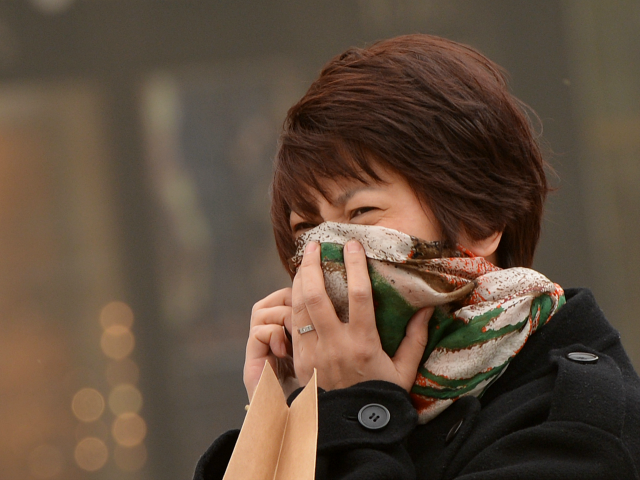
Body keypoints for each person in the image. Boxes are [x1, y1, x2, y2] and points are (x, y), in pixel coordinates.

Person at [194, 34, 640, 479]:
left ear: (480, 221)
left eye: (362, 212)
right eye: (306, 231)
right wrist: (287, 414)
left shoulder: (578, 424)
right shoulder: (325, 401)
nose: (326, 251)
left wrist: (357, 409)